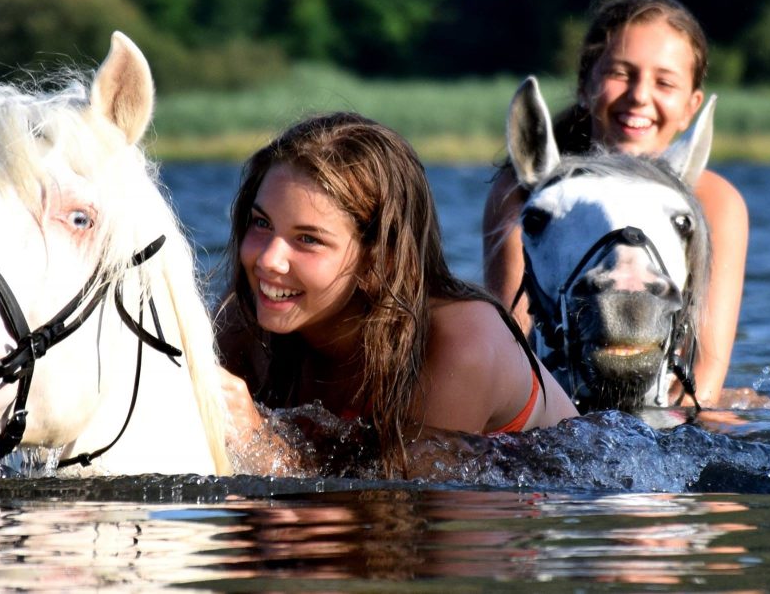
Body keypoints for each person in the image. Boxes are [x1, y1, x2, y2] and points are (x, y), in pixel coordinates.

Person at [218, 112, 578, 478]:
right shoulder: (243, 322)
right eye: (261, 223)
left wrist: (259, 441)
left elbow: (405, 509)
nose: (267, 260)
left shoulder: (460, 341)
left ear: (381, 260)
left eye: (308, 239)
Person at [482, 0, 748, 408]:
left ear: (691, 107)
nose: (640, 95)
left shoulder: (715, 199)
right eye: (621, 74)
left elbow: (706, 374)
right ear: (586, 86)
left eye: (664, 81)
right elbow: (511, 335)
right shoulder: (521, 189)